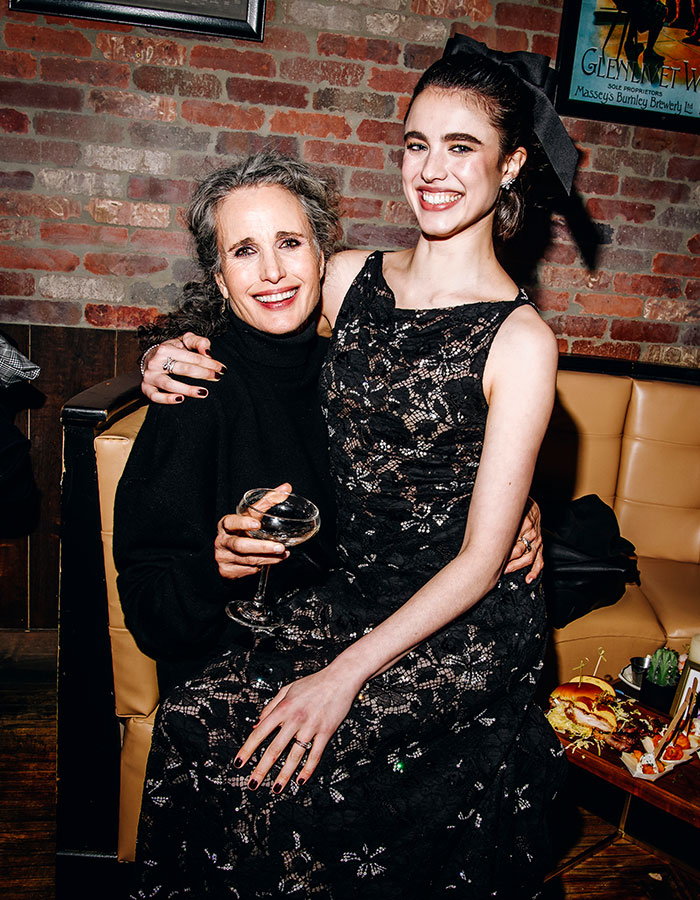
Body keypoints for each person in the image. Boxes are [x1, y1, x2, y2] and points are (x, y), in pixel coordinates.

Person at [125, 36, 574, 898]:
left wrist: (342, 677)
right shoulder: (347, 277)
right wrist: (161, 357)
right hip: (352, 590)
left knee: (315, 747)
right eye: (416, 145)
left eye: (462, 147)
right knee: (196, 721)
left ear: (511, 165)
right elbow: (256, 308)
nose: (432, 171)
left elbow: (482, 558)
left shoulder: (523, 340)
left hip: (463, 619)